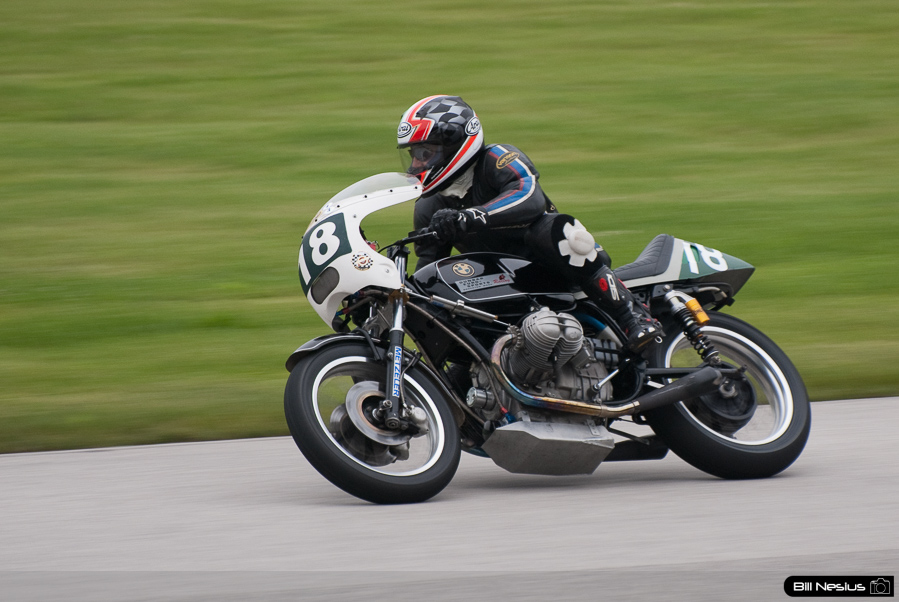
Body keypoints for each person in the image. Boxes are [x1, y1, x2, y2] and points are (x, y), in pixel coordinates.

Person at [397, 95, 661, 352]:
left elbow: (529, 197)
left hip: (558, 264)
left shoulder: (499, 158)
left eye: (425, 153)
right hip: (501, 284)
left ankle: (633, 317)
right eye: (414, 155)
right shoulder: (429, 205)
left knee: (558, 230)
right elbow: (428, 269)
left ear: (457, 144)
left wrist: (471, 216)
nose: (416, 164)